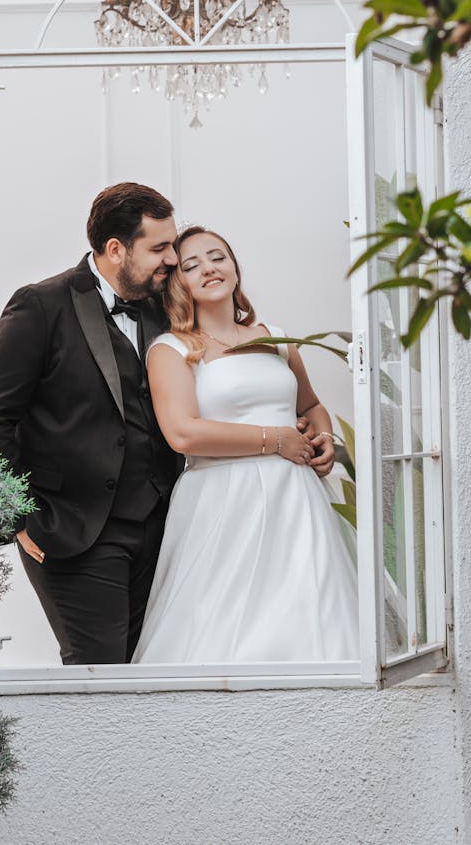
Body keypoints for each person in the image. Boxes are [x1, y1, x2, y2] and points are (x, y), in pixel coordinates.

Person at [132, 226, 359, 664]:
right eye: (192, 264)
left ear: (234, 266)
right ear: (179, 282)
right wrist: (276, 440)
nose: (209, 268)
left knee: (310, 614)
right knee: (222, 626)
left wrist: (323, 436)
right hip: (223, 501)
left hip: (297, 500)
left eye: (217, 256)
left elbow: (310, 405)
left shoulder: (274, 335)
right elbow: (183, 433)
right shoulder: (172, 349)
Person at [0, 182, 182, 665]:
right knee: (98, 678)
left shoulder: (165, 308)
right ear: (116, 249)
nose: (173, 258)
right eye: (159, 247)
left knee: (150, 668)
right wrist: (16, 517)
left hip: (161, 525)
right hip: (73, 528)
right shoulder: (40, 306)